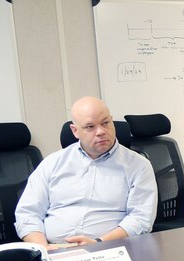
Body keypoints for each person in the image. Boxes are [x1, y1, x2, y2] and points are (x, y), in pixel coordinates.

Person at [15, 96, 158, 246]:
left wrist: (98, 243)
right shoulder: (53, 163)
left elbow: (141, 219)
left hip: (112, 249)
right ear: (75, 131)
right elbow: (28, 213)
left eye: (105, 123)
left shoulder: (138, 165)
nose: (100, 132)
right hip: (53, 250)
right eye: (90, 127)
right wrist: (44, 248)